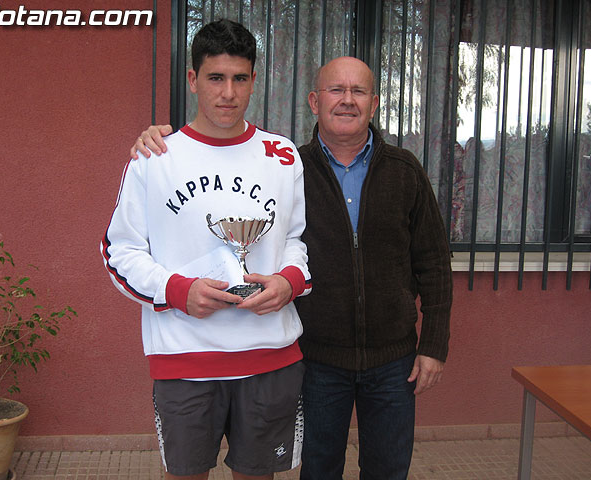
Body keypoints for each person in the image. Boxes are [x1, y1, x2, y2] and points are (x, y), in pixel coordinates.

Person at [131, 56, 452, 480]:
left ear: (374, 104)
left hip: (393, 360)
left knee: (389, 469)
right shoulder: (288, 167)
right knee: (317, 470)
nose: (347, 101)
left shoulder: (405, 170)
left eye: (359, 92)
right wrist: (158, 139)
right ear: (314, 101)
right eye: (337, 91)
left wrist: (433, 344)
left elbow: (432, 261)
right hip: (318, 359)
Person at [102, 19, 312, 480]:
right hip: (185, 360)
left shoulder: (282, 155)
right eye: (215, 78)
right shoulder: (155, 157)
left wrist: (288, 282)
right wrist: (179, 291)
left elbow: (296, 240)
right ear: (194, 80)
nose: (228, 93)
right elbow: (121, 251)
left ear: (255, 80)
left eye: (240, 79)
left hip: (270, 356)